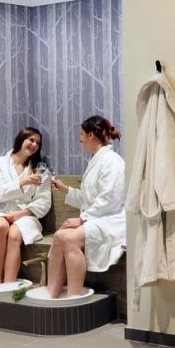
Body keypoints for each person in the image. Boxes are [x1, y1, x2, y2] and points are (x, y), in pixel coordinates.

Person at [48, 116, 125, 298]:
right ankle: (52, 294)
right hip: (99, 216)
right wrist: (65, 189)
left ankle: (74, 297)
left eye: (82, 134)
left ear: (91, 135)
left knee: (71, 239)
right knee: (59, 236)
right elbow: (88, 199)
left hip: (113, 219)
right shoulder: (95, 160)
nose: (80, 139)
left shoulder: (112, 161)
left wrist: (82, 219)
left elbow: (109, 199)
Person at [0, 127, 51, 284]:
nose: (34, 145)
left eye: (38, 143)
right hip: (0, 210)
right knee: (1, 227)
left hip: (26, 214)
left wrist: (21, 214)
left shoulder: (40, 170)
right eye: (31, 140)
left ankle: (8, 284)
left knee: (14, 234)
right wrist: (23, 182)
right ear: (21, 138)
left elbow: (44, 200)